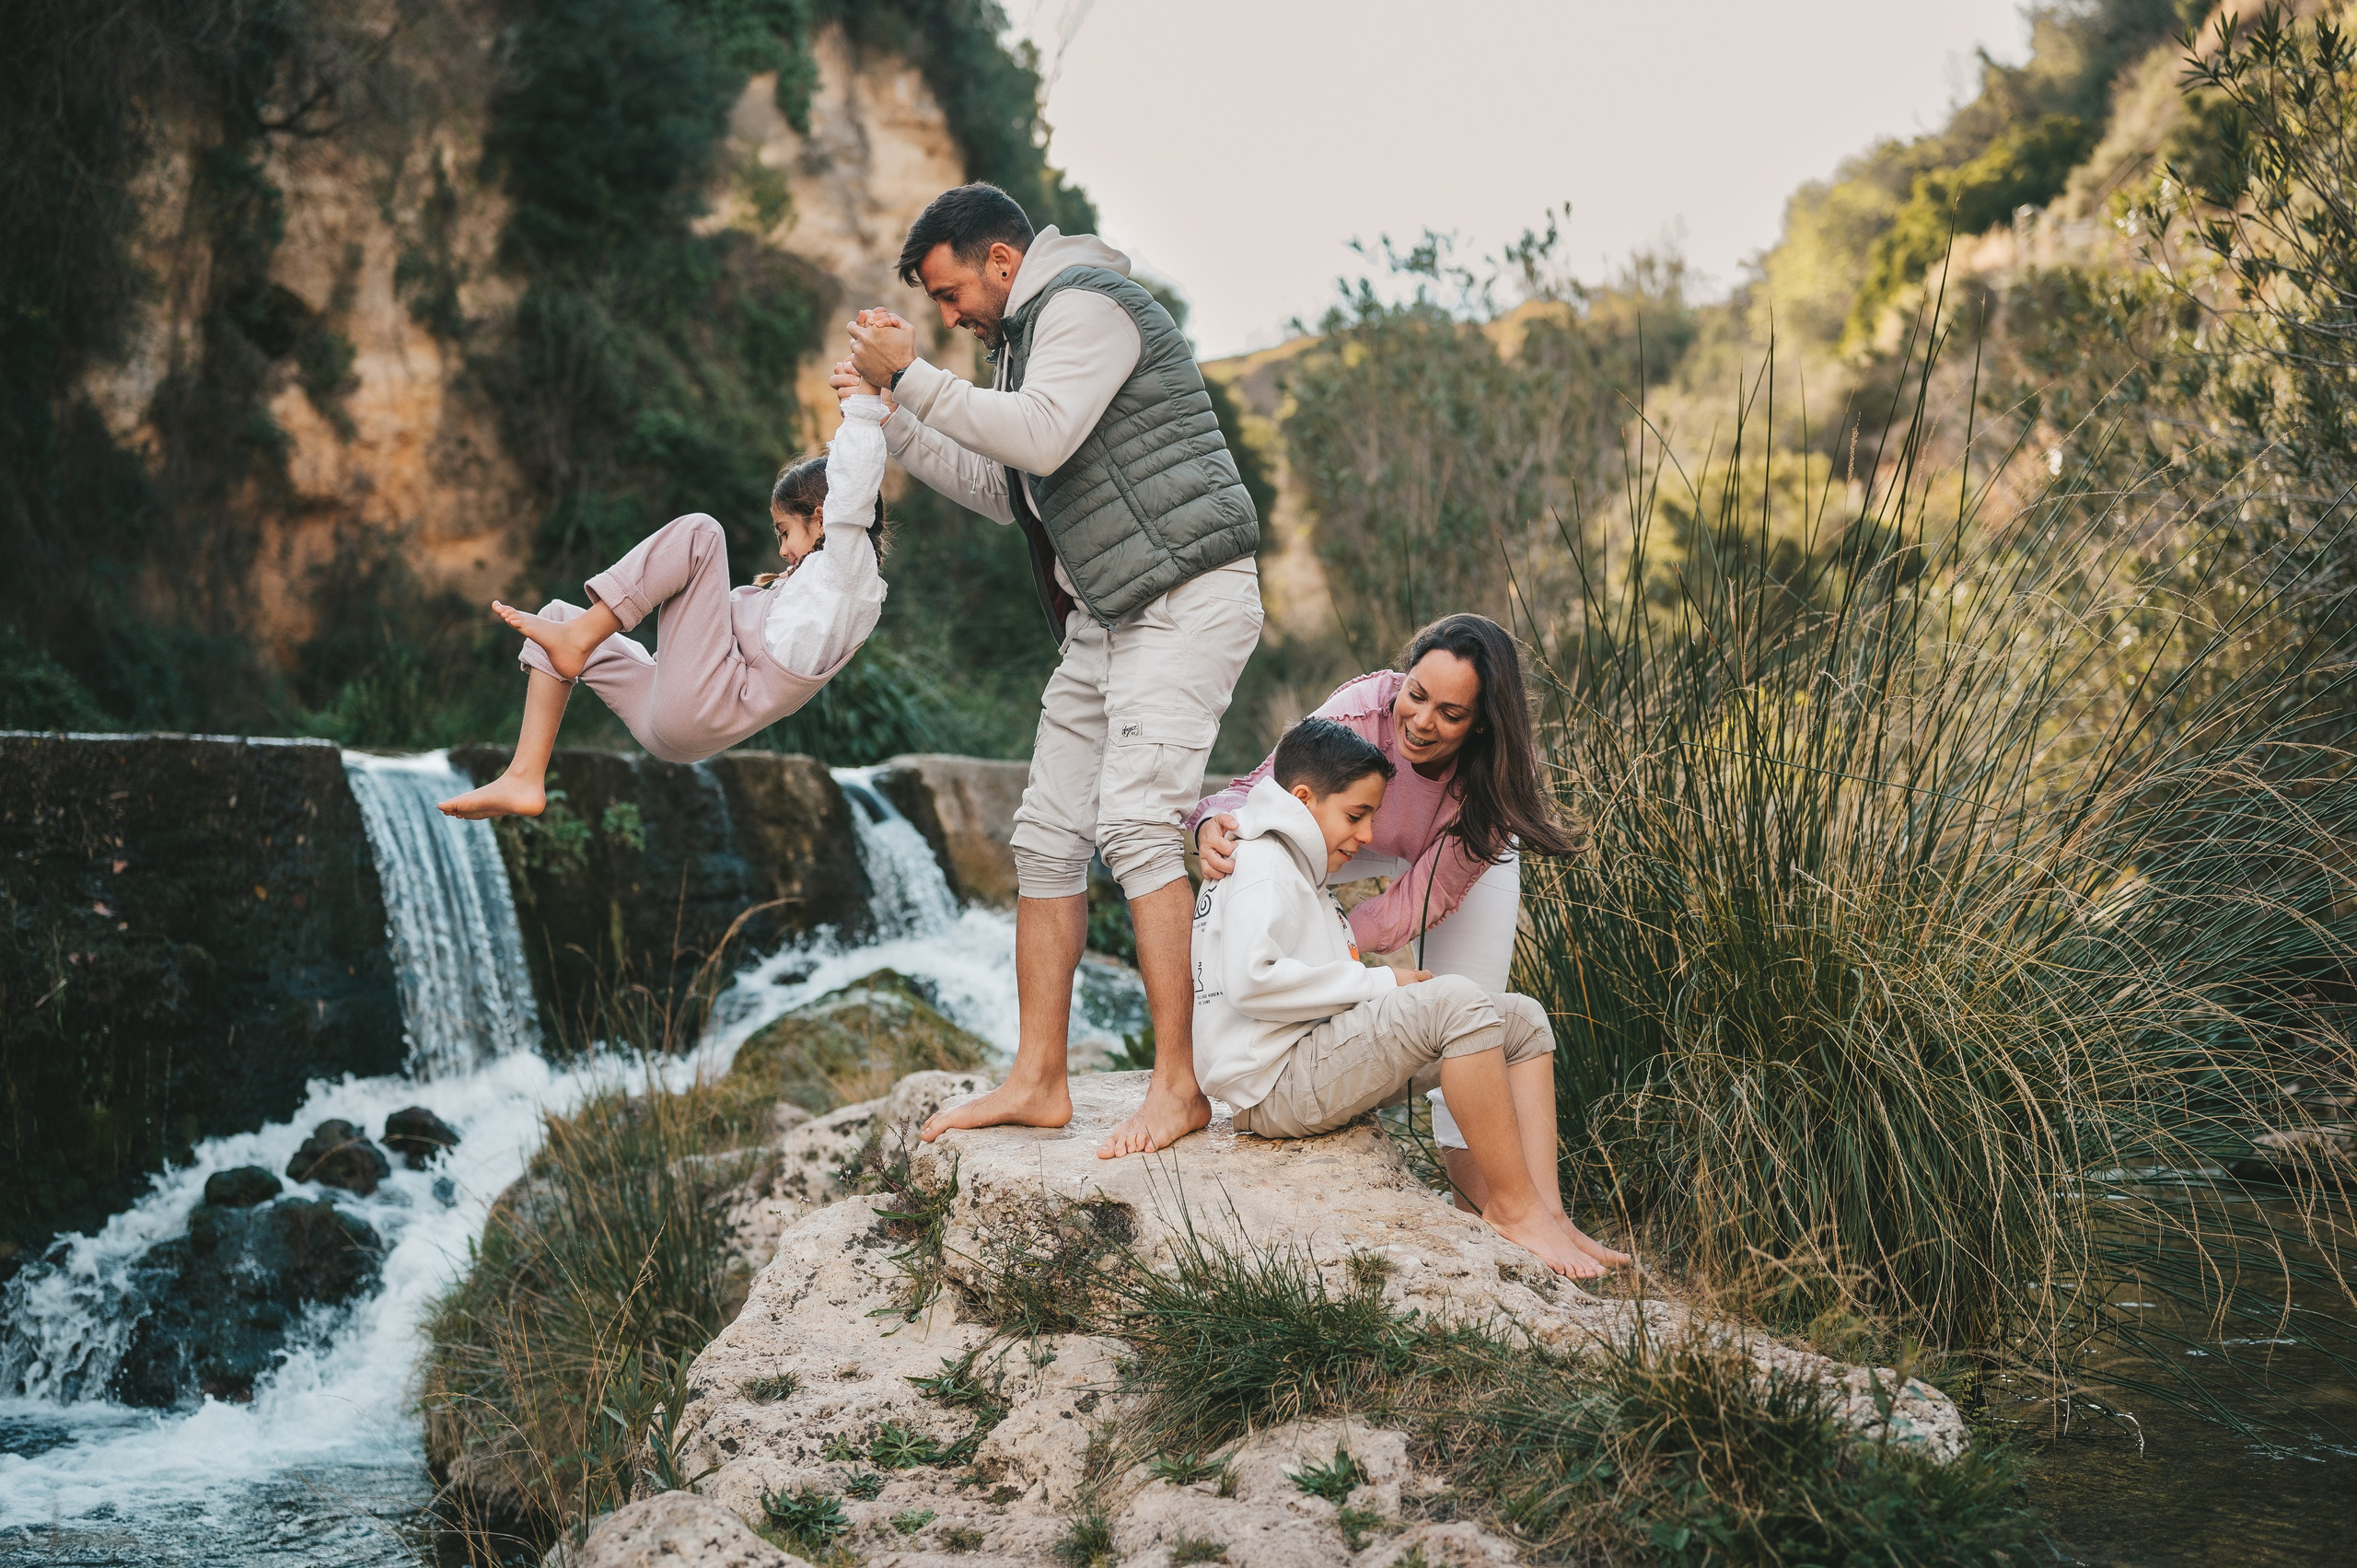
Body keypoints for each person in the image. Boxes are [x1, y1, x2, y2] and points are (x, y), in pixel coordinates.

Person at [833, 182, 1263, 1158]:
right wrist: (891, 416)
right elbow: (1003, 484)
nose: (950, 316)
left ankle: (1178, 1085)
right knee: (1046, 838)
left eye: (951, 295)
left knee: (1139, 826)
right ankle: (1038, 1080)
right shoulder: (1023, 343)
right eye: (935, 308)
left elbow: (1038, 433)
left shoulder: (1083, 308)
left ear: (1000, 259)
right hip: (1108, 612)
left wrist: (913, 375)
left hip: (1184, 596)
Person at [1190, 613, 1627, 1268]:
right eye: (1416, 695)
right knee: (1449, 1004)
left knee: (1505, 1012)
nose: (1421, 720)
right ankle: (1511, 1210)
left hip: (1407, 847)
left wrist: (1339, 951)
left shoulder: (1493, 784)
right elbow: (1270, 789)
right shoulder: (1356, 722)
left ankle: (1538, 1212)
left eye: (1450, 712)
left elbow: (1404, 913)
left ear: (1481, 722)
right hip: (1329, 842)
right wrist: (1208, 823)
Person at [436, 385, 891, 819]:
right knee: (555, 617)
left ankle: (578, 640)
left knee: (701, 533)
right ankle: (524, 776)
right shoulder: (813, 583)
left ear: (821, 520)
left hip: (703, 706)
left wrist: (864, 403)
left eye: (784, 532)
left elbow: (850, 489)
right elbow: (842, 479)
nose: (782, 550)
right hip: (671, 717)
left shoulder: (846, 576)